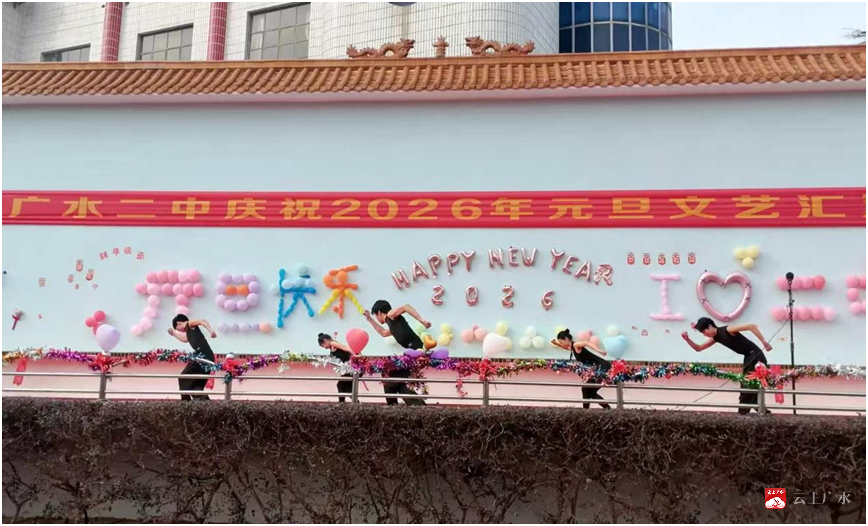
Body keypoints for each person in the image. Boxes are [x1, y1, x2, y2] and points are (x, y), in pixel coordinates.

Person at [681, 317, 772, 415]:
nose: (704, 335)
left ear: (710, 326)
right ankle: (759, 410)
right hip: (749, 356)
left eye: (704, 332)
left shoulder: (728, 329)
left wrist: (764, 343)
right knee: (750, 385)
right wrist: (687, 339)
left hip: (756, 356)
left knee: (747, 384)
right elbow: (698, 348)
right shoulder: (715, 338)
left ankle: (744, 412)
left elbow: (751, 326)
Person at [364, 300, 429, 406]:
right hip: (413, 353)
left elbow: (406, 306)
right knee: (397, 381)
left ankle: (393, 406)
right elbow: (383, 333)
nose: (376, 318)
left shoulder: (390, 315)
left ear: (379, 312)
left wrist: (422, 321)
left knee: (389, 376)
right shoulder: (392, 324)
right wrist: (369, 319)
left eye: (375, 316)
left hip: (417, 352)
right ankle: (417, 405)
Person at [552, 329, 612, 409]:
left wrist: (599, 350)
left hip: (603, 368)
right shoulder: (572, 347)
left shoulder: (576, 345)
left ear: (566, 339)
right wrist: (557, 344)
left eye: (561, 342)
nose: (561, 344)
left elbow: (586, 343)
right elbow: (565, 347)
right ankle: (593, 410)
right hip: (598, 369)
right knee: (587, 390)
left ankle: (591, 410)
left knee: (587, 389)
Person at [167, 314, 216, 401]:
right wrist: (174, 334)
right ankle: (208, 405)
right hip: (206, 357)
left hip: (202, 357)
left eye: (178, 329)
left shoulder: (189, 324)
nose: (180, 331)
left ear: (178, 323)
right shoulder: (189, 331)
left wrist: (210, 330)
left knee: (183, 377)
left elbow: (202, 321)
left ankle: (185, 403)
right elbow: (185, 339)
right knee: (196, 386)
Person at [318, 333, 355, 402]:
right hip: (346, 369)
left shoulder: (333, 343)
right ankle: (347, 402)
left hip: (349, 368)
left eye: (323, 346)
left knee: (341, 385)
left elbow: (345, 348)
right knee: (344, 386)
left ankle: (346, 402)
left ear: (325, 341)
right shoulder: (333, 345)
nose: (325, 348)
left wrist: (355, 353)